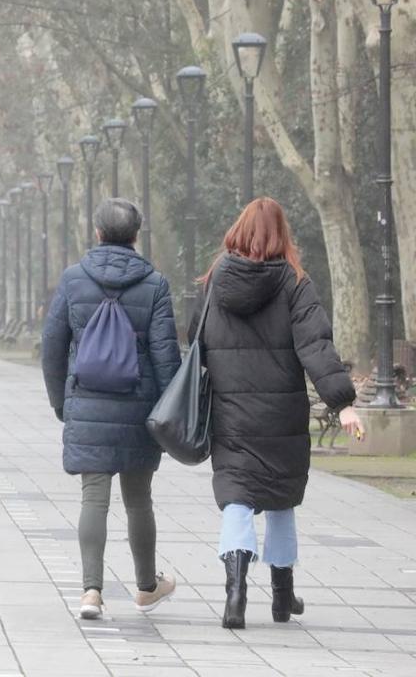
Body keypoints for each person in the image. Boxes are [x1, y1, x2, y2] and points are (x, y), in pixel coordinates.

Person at [193, 198, 362, 630]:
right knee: (282, 500)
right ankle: (283, 598)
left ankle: (235, 594)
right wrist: (341, 402)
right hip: (282, 415)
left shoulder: (215, 282)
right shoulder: (295, 283)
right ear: (281, 234)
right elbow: (316, 346)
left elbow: (198, 344)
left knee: (237, 496)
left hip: (230, 414)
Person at [40, 198, 181, 620]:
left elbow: (51, 347)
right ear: (136, 236)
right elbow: (165, 355)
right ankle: (146, 586)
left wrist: (61, 402)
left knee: (93, 498)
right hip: (139, 408)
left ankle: (90, 593)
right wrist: (168, 412)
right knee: (139, 501)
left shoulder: (72, 280)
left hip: (87, 401)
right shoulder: (155, 284)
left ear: (97, 233)